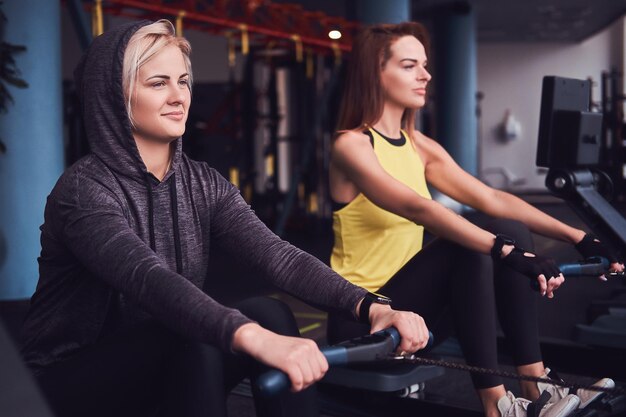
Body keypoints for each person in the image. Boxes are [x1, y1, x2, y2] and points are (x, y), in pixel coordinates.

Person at [19, 20, 427, 417]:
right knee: (190, 334)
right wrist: (253, 339)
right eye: (158, 83)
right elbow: (148, 279)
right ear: (114, 95)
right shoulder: (84, 190)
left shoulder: (202, 183)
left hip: (162, 365)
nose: (178, 96)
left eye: (183, 81)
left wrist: (371, 307)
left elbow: (277, 256)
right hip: (63, 389)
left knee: (270, 314)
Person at [326, 22, 623, 417]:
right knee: (469, 245)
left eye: (425, 65)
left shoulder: (419, 146)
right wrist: (507, 253)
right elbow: (418, 207)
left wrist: (579, 237)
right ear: (375, 74)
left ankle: (538, 390)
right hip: (363, 322)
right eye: (410, 65)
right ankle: (497, 406)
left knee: (508, 227)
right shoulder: (351, 145)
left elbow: (491, 198)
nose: (425, 75)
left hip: (416, 320)